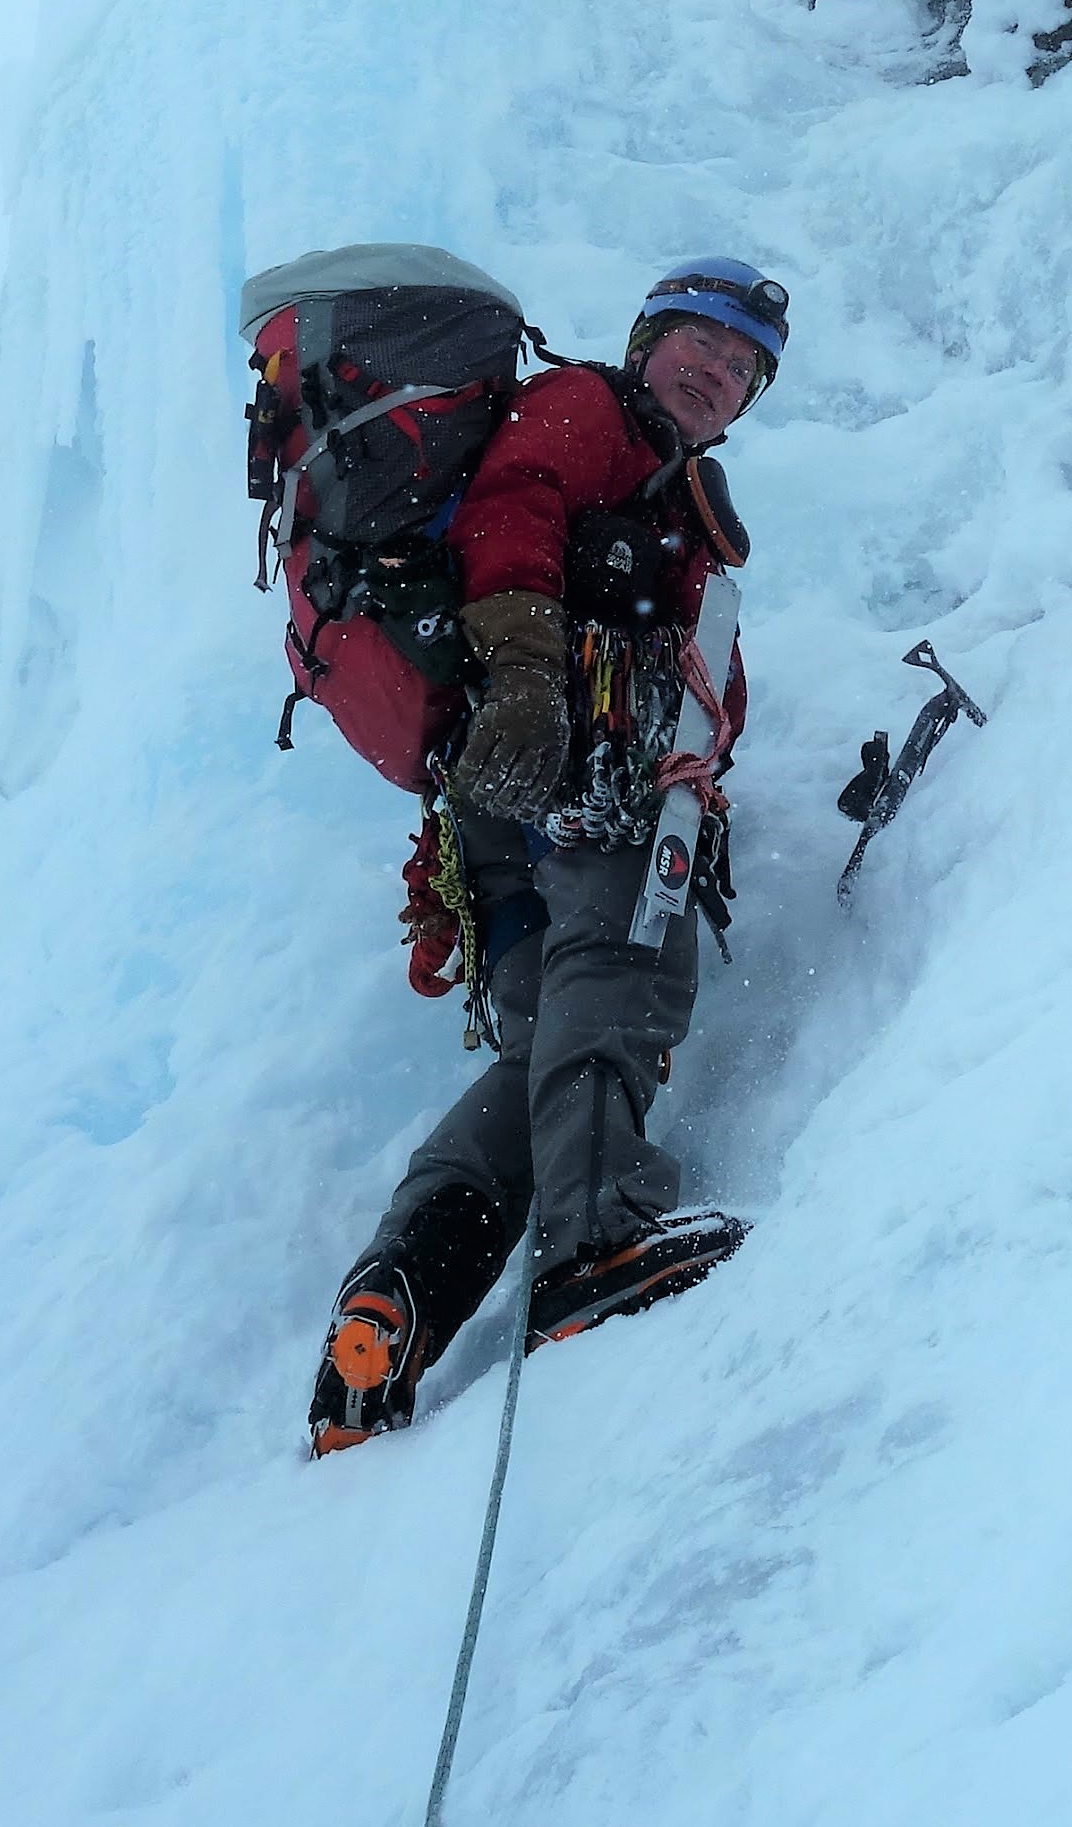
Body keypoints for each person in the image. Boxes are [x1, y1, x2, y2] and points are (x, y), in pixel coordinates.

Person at [308, 258, 787, 1456]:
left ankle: (391, 1308)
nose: (716, 378)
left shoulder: (678, 502)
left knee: (545, 1054)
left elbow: (707, 680)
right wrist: (527, 667)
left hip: (498, 812)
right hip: (570, 752)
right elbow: (513, 502)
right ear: (643, 341)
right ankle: (594, 1243)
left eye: (739, 374)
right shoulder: (585, 408)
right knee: (625, 970)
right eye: (701, 349)